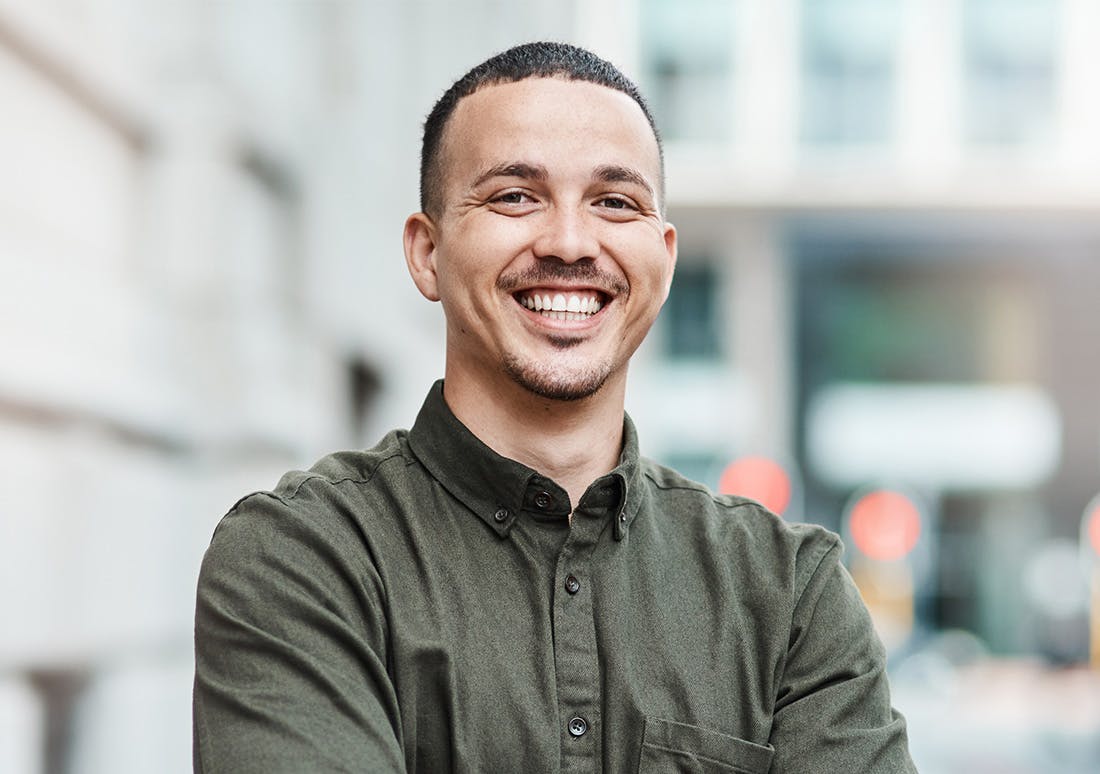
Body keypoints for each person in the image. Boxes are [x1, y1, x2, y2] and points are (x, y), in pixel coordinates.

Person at [193, 41, 916, 773]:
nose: (570, 242)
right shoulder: (305, 558)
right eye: (515, 196)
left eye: (614, 202)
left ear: (663, 261)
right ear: (426, 253)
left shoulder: (790, 592)